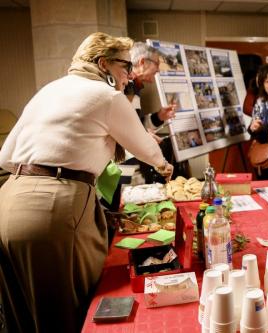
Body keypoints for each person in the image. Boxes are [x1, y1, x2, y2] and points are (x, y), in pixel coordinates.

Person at [0, 32, 173, 333]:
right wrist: (164, 165)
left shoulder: (49, 90)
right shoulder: (107, 95)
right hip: (53, 208)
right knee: (66, 311)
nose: (129, 76)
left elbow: (5, 156)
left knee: (22, 313)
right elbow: (148, 149)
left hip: (9, 200)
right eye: (124, 67)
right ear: (103, 63)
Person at [126, 42, 189, 182]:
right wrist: (142, 135)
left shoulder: (135, 88)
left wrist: (159, 116)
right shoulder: (125, 87)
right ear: (142, 62)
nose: (159, 70)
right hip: (123, 165)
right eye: (156, 63)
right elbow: (120, 128)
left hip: (132, 161)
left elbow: (137, 124)